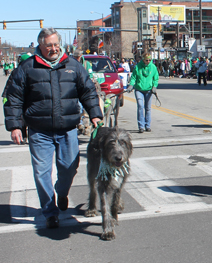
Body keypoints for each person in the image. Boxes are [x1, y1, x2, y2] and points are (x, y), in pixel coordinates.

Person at [4, 28, 103, 228]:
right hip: (39, 131)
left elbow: (88, 91)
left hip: (67, 129)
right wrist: (15, 126)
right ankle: (50, 212)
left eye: (56, 44)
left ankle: (62, 192)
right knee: (42, 172)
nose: (53, 48)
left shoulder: (73, 66)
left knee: (69, 168)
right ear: (40, 45)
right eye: (49, 45)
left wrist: (95, 115)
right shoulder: (27, 67)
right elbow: (13, 98)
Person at [126, 53, 159, 133]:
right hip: (139, 89)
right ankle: (141, 126)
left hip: (148, 90)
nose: (148, 61)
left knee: (148, 108)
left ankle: (147, 125)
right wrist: (131, 85)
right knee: (140, 106)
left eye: (149, 60)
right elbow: (133, 77)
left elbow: (156, 78)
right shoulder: (137, 67)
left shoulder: (153, 67)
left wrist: (154, 86)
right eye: (146, 60)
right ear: (143, 59)